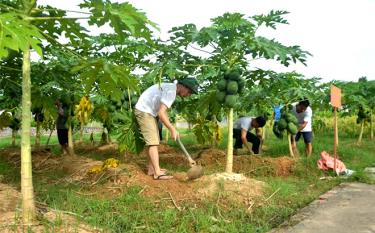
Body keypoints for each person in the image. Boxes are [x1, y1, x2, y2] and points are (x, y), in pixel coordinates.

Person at [135, 77, 198, 180]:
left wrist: (171, 127)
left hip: (148, 111)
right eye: (189, 92)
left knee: (153, 141)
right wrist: (172, 129)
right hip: (144, 111)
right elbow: (161, 113)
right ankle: (157, 173)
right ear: (184, 87)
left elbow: (162, 112)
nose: (189, 95)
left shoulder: (170, 88)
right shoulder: (171, 92)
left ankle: (152, 169)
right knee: (153, 142)